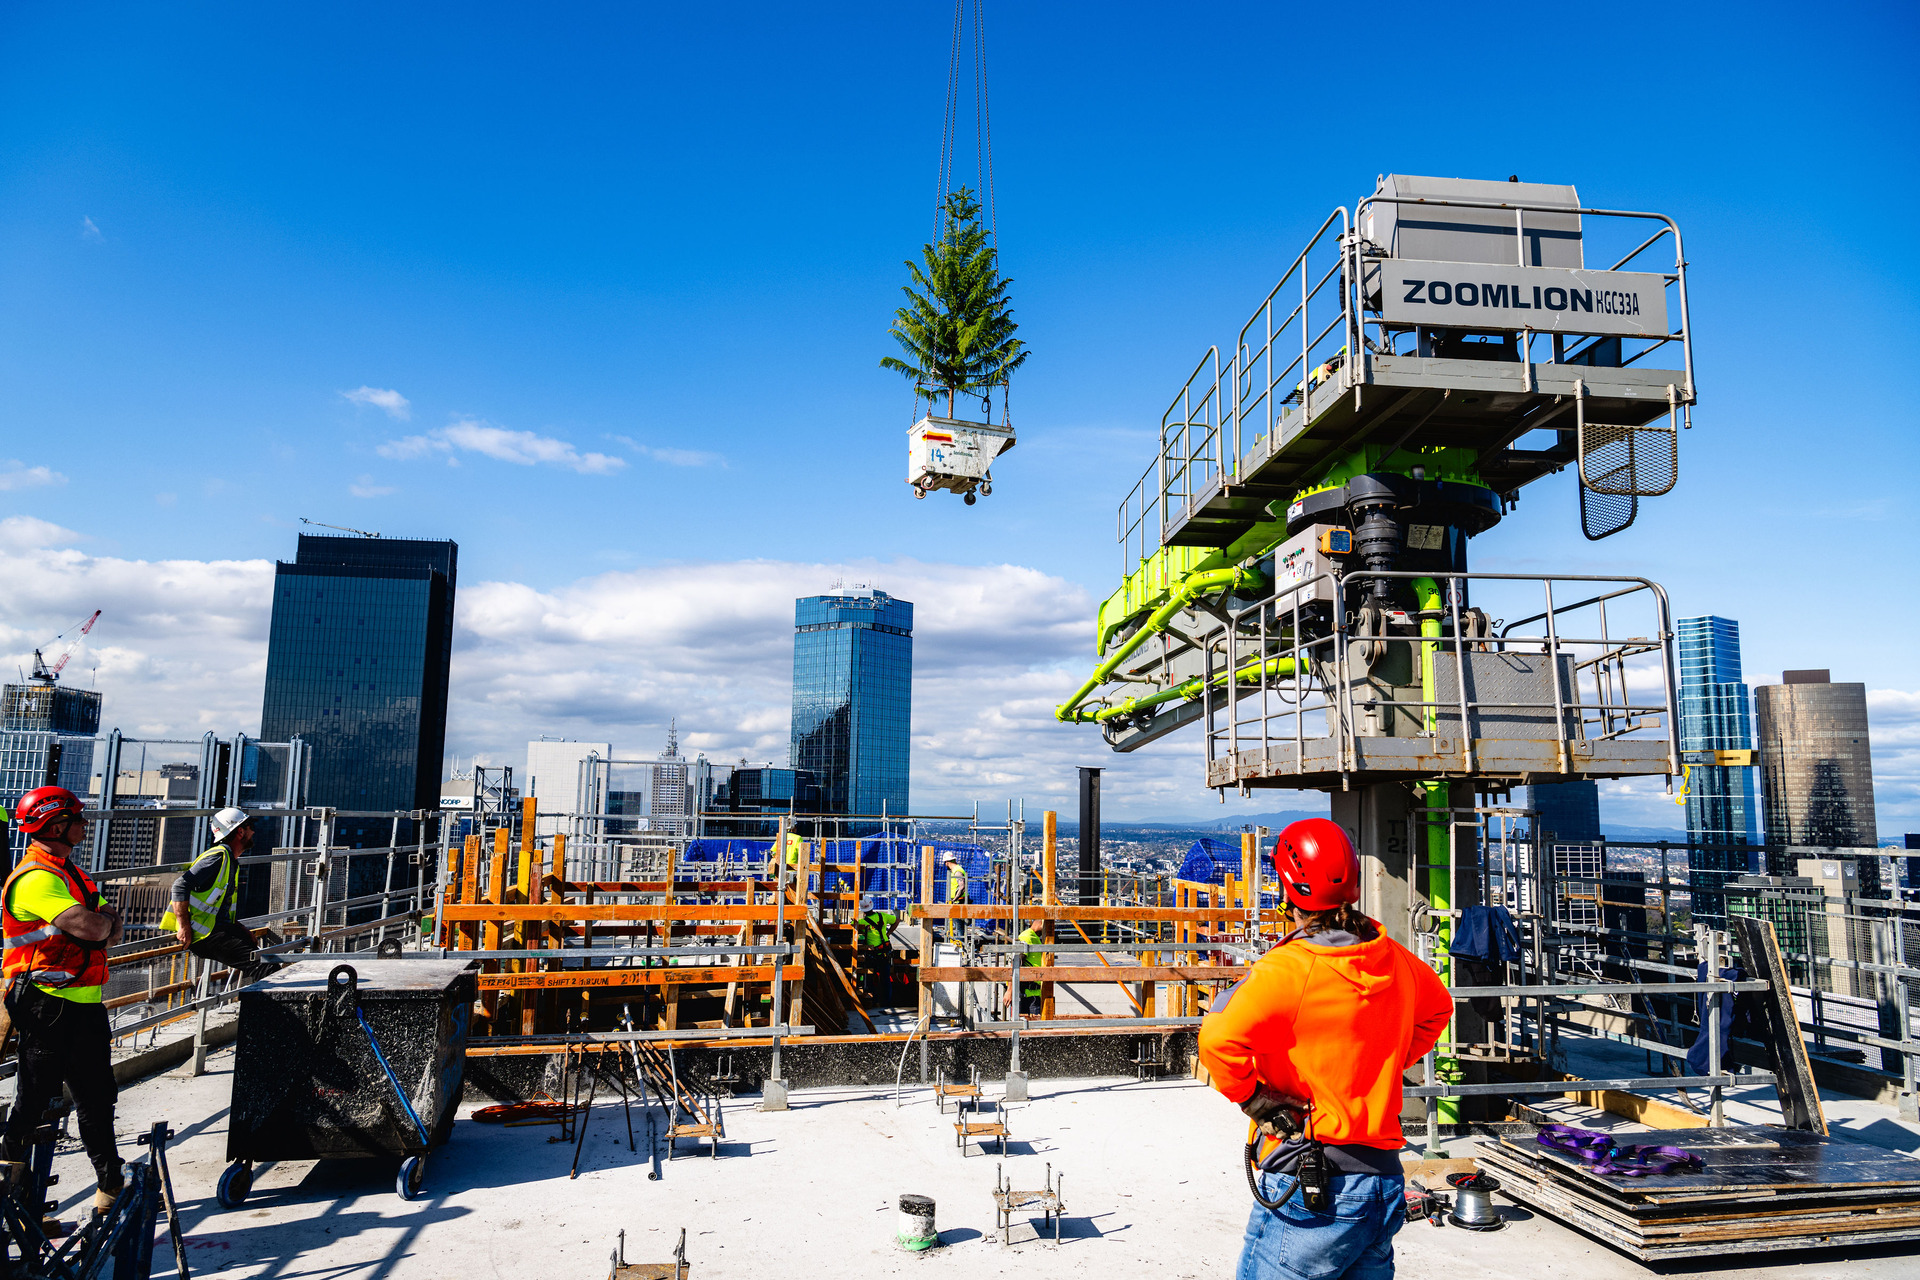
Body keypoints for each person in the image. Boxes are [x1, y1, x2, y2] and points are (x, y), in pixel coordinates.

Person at [1198, 818, 1453, 1280]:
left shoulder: (1288, 969)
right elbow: (1438, 1009)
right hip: (1381, 1181)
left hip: (1314, 1182)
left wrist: (1256, 1098)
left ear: (1286, 889)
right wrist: (1384, 1062)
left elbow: (1216, 1038)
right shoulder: (1393, 957)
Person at [1, 786, 125, 1217]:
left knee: (97, 1096)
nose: (85, 825)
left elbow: (112, 924)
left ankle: (110, 1183)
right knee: (36, 1094)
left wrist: (103, 922)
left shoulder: (72, 874)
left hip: (82, 1002)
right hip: (44, 1001)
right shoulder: (37, 878)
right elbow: (94, 928)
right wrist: (102, 922)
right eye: (77, 819)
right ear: (56, 825)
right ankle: (11, 1180)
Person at [161, 807, 275, 984]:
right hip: (205, 935)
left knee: (259, 955)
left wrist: (240, 929)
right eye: (250, 826)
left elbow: (219, 905)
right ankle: (263, 1010)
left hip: (217, 929)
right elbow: (180, 885)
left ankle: (257, 1003)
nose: (253, 831)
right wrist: (184, 927)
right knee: (265, 966)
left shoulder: (229, 860)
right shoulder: (218, 857)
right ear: (240, 831)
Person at [1016, 923, 1045, 1017]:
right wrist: (1010, 990)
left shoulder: (1034, 937)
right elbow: (1016, 963)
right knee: (1030, 1027)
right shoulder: (1027, 936)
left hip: (1035, 994)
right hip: (1028, 996)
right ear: (1040, 923)